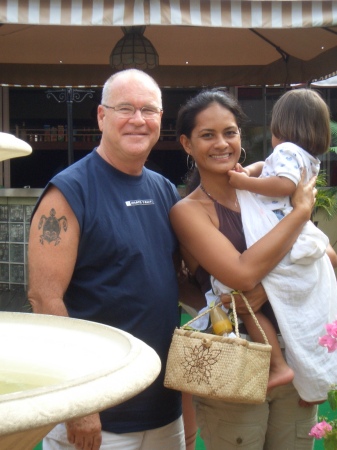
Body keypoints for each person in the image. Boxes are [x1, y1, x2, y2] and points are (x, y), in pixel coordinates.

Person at [27, 68, 203, 450]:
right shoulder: (69, 192)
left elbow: (181, 280)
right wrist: (79, 403)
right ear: (102, 116)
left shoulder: (163, 190)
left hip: (162, 408)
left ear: (161, 120)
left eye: (149, 110)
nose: (138, 119)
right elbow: (44, 299)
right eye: (126, 108)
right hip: (97, 414)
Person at [169, 88, 335, 450]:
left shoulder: (265, 192)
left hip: (296, 362)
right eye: (207, 135)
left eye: (230, 132)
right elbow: (241, 276)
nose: (222, 144)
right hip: (237, 362)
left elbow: (327, 258)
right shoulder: (189, 211)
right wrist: (303, 213)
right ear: (187, 144)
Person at [211, 88, 337, 392]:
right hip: (297, 234)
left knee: (235, 295)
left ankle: (278, 365)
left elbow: (282, 184)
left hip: (280, 231)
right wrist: (250, 170)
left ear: (281, 126)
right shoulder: (307, 157)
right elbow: (266, 167)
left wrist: (244, 181)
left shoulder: (287, 152)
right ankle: (312, 377)